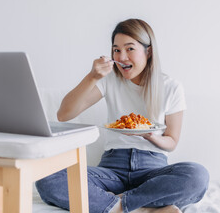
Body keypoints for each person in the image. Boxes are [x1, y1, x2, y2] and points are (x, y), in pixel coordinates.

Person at [36, 19, 209, 213]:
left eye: (130, 49)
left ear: (148, 51)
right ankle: (139, 208)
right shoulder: (109, 81)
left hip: (152, 170)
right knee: (48, 176)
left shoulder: (170, 86)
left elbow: (172, 141)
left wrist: (150, 136)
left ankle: (117, 204)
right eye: (116, 50)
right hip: (111, 170)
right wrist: (92, 76)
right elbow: (64, 114)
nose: (122, 57)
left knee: (197, 176)